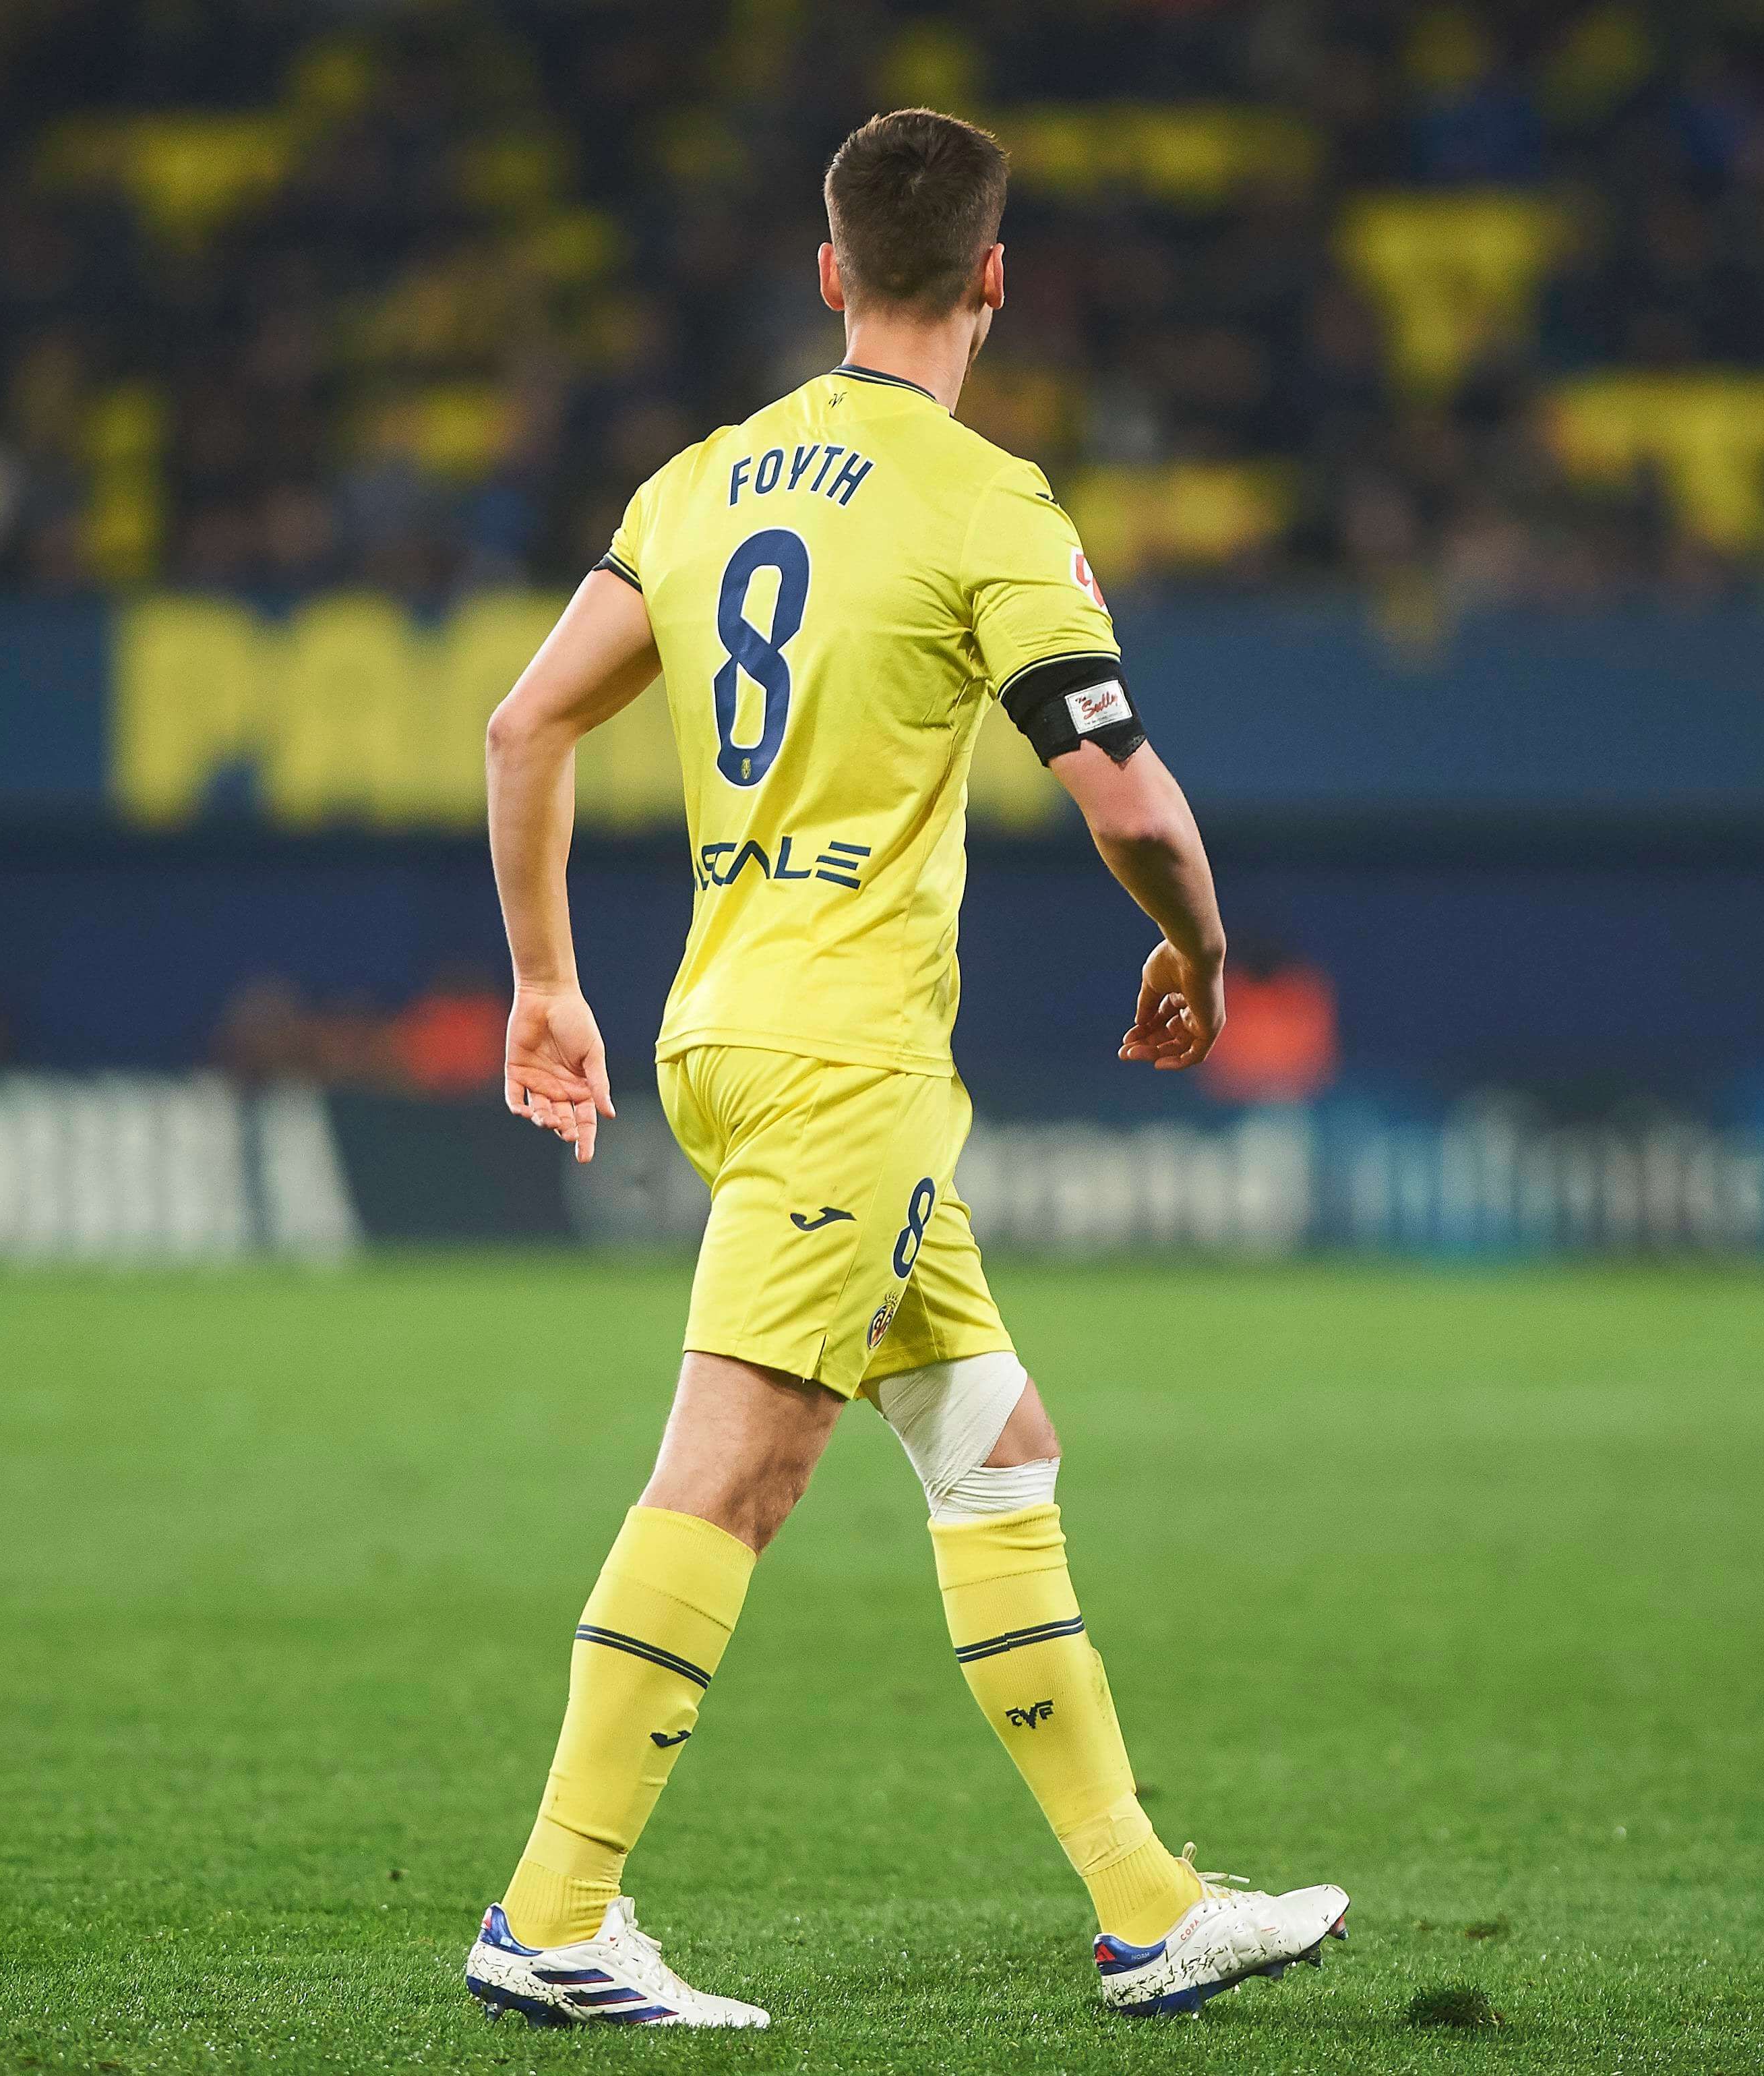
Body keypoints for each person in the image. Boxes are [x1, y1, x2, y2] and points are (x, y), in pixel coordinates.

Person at [470, 111, 1347, 2029]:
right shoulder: (983, 501)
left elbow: (523, 726)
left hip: (720, 1026)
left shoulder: (697, 482)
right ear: (996, 281)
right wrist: (1201, 955)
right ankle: (551, 1911)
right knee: (737, 1472)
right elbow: (1121, 791)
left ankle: (1145, 1907)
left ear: (826, 273)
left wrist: (545, 983)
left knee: (990, 1444)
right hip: (845, 1065)